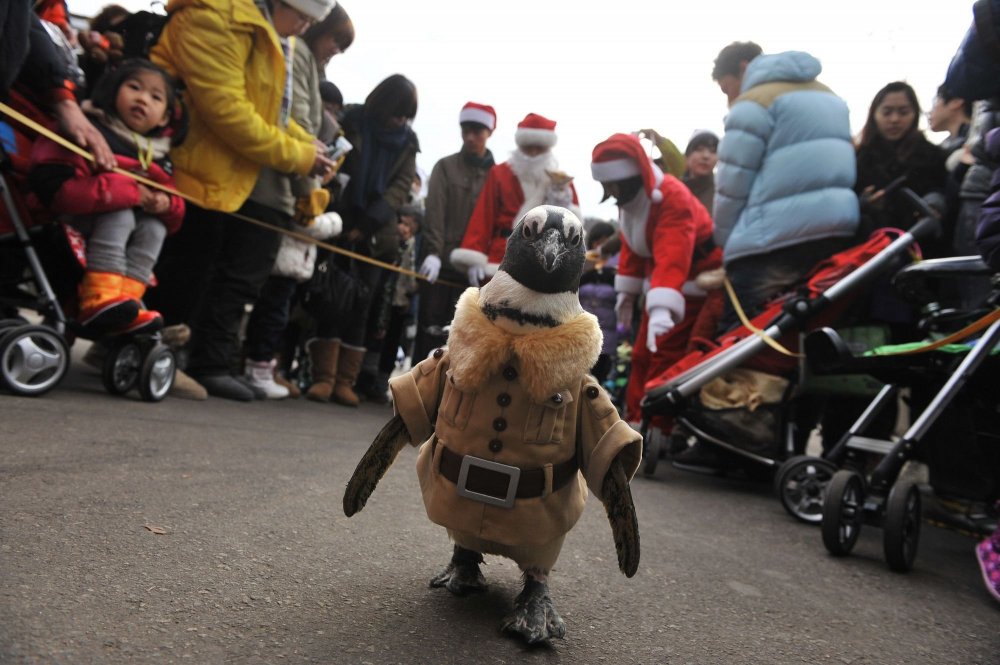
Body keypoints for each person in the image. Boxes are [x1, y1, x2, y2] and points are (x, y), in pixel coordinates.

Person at [145, 0, 337, 401]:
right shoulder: (214, 18)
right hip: (196, 165)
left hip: (222, 171)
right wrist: (301, 155)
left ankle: (169, 357)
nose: (304, 27)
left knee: (201, 269)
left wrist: (309, 147)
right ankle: (152, 354)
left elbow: (269, 112)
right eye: (302, 16)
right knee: (184, 270)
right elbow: (228, 111)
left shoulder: (267, 33)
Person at [28, 59, 185, 336]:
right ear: (113, 91)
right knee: (121, 214)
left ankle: (129, 301)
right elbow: (61, 194)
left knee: (154, 227)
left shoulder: (158, 157)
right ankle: (100, 299)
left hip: (110, 235)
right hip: (65, 226)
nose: (142, 99)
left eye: (155, 97)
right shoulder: (86, 129)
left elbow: (176, 214)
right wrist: (134, 193)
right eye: (134, 87)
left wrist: (165, 204)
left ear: (164, 118)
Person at [711, 41, 859, 334]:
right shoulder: (830, 96)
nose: (730, 99)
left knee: (743, 340)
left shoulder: (754, 103)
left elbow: (732, 186)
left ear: (743, 68)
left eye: (727, 88)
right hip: (837, 235)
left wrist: (725, 243)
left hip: (770, 246)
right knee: (812, 333)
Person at [590, 133, 721, 437]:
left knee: (664, 353)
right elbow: (634, 247)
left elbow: (673, 253)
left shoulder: (671, 197)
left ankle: (656, 425)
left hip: (694, 282)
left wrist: (663, 305)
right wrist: (627, 292)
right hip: (665, 282)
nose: (609, 191)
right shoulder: (633, 202)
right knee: (640, 355)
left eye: (613, 184)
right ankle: (637, 417)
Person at [305, 73, 419, 407]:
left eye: (405, 115)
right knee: (330, 298)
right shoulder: (352, 120)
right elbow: (336, 162)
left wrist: (369, 222)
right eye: (397, 112)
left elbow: (400, 188)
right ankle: (322, 377)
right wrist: (347, 219)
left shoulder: (408, 142)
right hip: (338, 220)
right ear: (382, 104)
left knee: (361, 307)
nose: (400, 120)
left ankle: (345, 381)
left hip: (376, 234)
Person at [450, 112, 580, 285]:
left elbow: (574, 224)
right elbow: (483, 216)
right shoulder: (499, 173)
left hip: (544, 260)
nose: (533, 153)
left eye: (539, 148)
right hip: (502, 255)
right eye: (528, 147)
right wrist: (474, 256)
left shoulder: (560, 181)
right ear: (519, 145)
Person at [411, 101, 496, 363]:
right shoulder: (445, 167)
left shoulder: (497, 175)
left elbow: (495, 221)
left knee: (464, 336)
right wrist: (433, 252)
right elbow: (435, 213)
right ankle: (418, 392)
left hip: (475, 271)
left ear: (489, 133)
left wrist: (482, 258)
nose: (470, 137)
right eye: (465, 130)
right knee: (430, 328)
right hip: (442, 263)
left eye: (477, 131)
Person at [855, 82, 947, 244]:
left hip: (921, 244)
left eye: (903, 112)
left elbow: (942, 190)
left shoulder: (933, 156)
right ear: (874, 114)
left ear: (915, 115)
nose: (895, 119)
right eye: (887, 112)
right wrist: (863, 203)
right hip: (870, 247)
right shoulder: (858, 157)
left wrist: (934, 204)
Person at [578, 220, 618, 384]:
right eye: (597, 241)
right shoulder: (582, 263)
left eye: (605, 241)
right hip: (581, 331)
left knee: (598, 380)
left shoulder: (620, 268)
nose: (600, 245)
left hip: (607, 334)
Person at [681, 130, 719, 216]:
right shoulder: (675, 190)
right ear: (687, 155)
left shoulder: (723, 193)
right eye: (699, 149)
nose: (706, 156)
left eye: (713, 151)